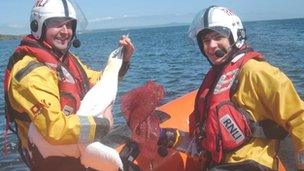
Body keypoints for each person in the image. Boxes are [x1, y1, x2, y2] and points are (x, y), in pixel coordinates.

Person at [158, 5, 304, 171]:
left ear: (234, 36)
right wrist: (167, 136)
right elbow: (204, 138)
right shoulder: (214, 81)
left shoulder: (255, 71)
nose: (211, 45)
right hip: (219, 165)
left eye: (218, 37)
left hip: (251, 164)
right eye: (206, 41)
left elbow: (298, 117)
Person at [4, 0, 134, 170]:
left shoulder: (66, 60)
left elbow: (98, 81)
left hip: (74, 144)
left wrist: (122, 62)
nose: (65, 31)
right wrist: (103, 125)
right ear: (38, 25)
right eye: (56, 24)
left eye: (69, 25)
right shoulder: (32, 74)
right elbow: (55, 128)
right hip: (52, 158)